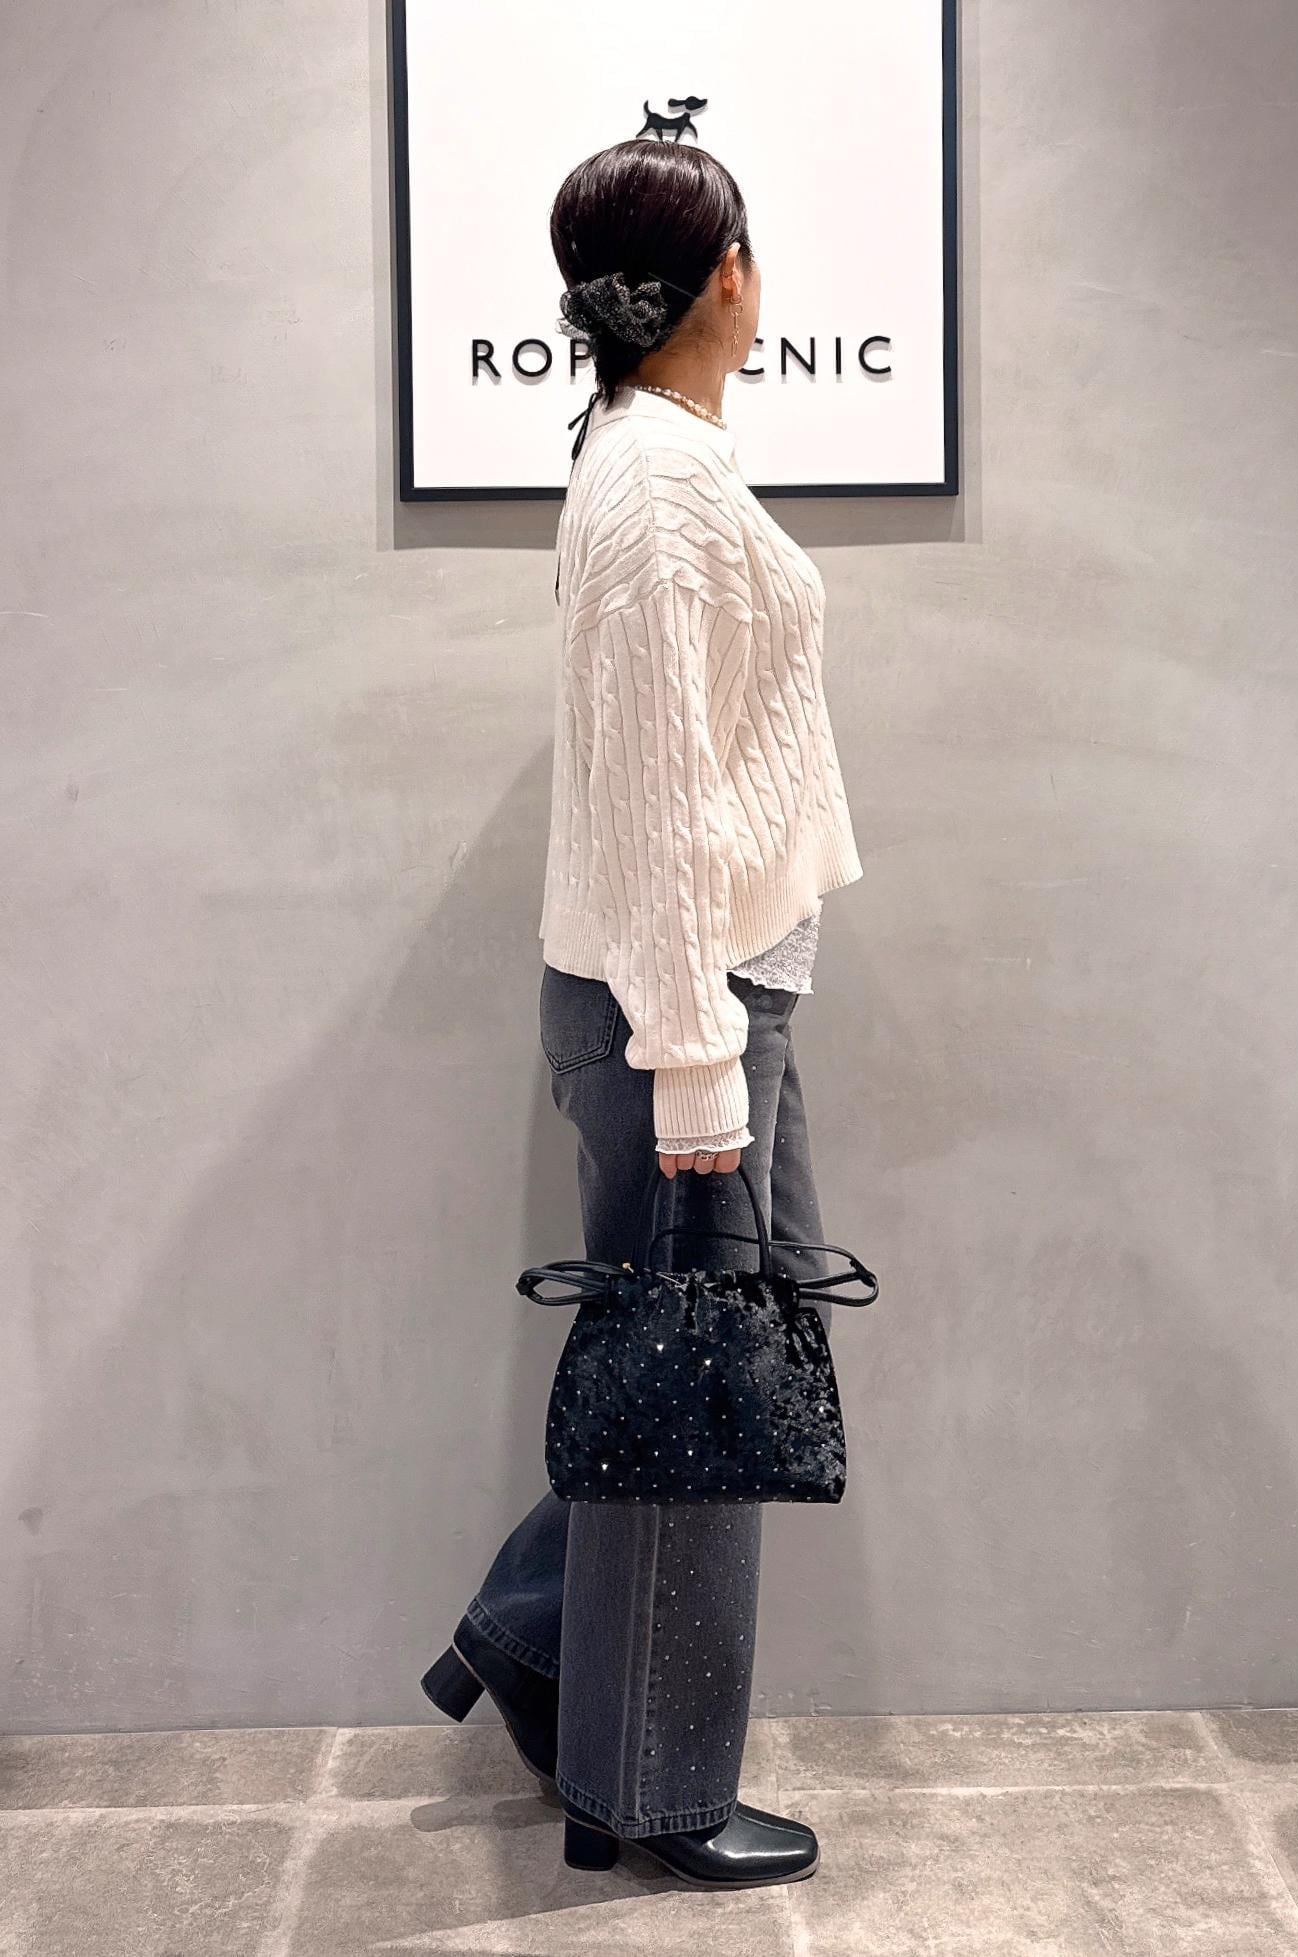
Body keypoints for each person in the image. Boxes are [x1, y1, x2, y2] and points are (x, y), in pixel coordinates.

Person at [420, 136, 865, 1889]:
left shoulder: (652, 452)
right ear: (726, 274)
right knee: (693, 1397)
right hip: (680, 1009)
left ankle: (540, 1641)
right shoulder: (659, 485)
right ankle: (648, 1792)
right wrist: (695, 1067)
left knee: (713, 1367)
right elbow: (656, 808)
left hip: (711, 996)